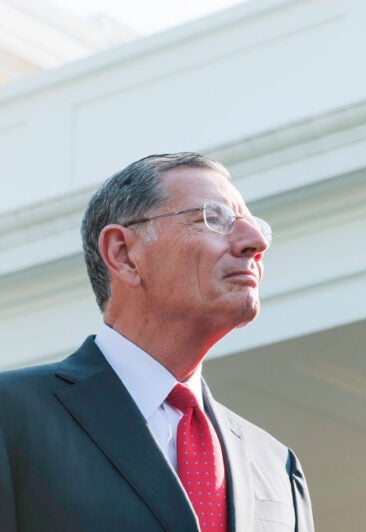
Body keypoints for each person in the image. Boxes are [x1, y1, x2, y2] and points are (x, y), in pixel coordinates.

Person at [0, 153, 314, 531]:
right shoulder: (13, 417)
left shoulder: (277, 466)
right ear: (124, 254)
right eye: (213, 219)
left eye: (253, 225)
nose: (256, 241)